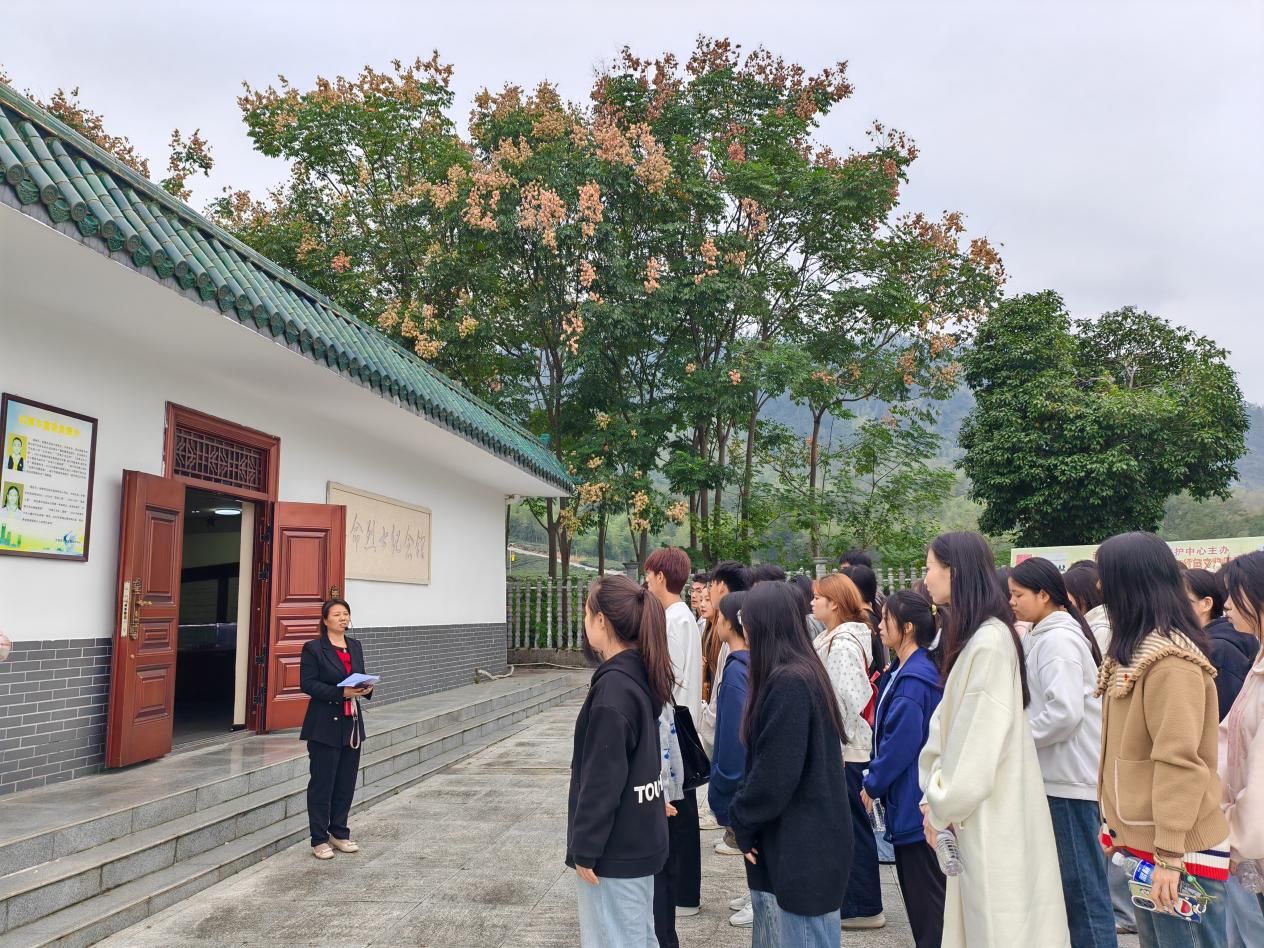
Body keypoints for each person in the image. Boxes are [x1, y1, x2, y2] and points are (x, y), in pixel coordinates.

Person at [919, 531, 1070, 947]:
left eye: (930, 567)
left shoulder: (988, 641)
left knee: (997, 924)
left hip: (988, 813)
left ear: (954, 571)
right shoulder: (984, 636)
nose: (926, 578)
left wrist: (940, 804)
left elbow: (976, 746)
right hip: (981, 809)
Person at [1096, 532, 1230, 948]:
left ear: (1129, 584)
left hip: (1179, 852)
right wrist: (1115, 828)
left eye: (1105, 578)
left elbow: (1180, 762)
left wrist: (1170, 855)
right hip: (1152, 847)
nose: (1100, 588)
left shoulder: (1170, 662)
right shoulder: (1138, 651)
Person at [729, 582, 852, 947]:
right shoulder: (795, 673)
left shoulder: (790, 682)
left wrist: (742, 819)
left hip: (805, 847)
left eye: (747, 618)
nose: (743, 626)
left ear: (764, 624)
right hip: (803, 839)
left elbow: (775, 774)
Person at [1008, 558, 1116, 948]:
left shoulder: (1058, 640)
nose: (1012, 602)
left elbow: (1064, 713)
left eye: (1018, 595)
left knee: (1083, 892)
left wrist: (1015, 739)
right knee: (1073, 890)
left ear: (1044, 594)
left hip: (1069, 781)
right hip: (1057, 776)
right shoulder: (1044, 633)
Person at [568, 574, 674, 948]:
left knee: (615, 937)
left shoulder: (614, 689)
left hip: (614, 849)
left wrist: (584, 848)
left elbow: (602, 780)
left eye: (586, 613)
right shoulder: (638, 673)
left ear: (601, 621)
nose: (585, 622)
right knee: (637, 935)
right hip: (638, 838)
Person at [862, 590, 945, 948]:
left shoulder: (914, 678)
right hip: (912, 798)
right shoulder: (904, 669)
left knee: (927, 905)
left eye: (886, 619)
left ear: (907, 627)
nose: (880, 626)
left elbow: (901, 742)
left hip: (914, 800)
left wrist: (873, 783)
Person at [1066, 562, 1139, 937]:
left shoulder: (1102, 629)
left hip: (1103, 754)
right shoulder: (1100, 627)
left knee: (1106, 847)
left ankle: (1122, 911)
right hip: (1103, 751)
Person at [811, 573, 884, 929]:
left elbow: (849, 699)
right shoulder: (834, 638)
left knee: (853, 828)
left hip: (847, 749)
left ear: (835, 604)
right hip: (844, 745)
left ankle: (864, 906)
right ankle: (855, 902)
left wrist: (833, 742)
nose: (812, 602)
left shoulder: (841, 645)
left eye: (818, 597)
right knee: (849, 826)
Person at [644, 546, 703, 921]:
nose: (646, 581)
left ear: (661, 577)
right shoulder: (679, 616)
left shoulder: (674, 620)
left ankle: (684, 895)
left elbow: (670, 680)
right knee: (680, 810)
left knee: (678, 812)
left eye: (649, 575)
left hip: (674, 728)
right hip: (678, 723)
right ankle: (683, 893)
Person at [300, 598, 374, 860]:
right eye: (337, 614)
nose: (343, 618)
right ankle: (319, 839)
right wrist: (340, 693)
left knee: (346, 782)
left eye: (346, 614)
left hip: (350, 724)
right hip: (324, 725)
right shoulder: (313, 648)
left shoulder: (355, 645)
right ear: (325, 620)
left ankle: (339, 832)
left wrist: (366, 688)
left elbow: (359, 676)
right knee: (323, 784)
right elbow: (308, 684)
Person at [1216, 553, 1264, 948]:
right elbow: (1227, 736)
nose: (1227, 605)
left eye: (1236, 594)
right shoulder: (1258, 660)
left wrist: (1235, 836)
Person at [707, 592, 754, 927]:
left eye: (720, 617)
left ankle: (759, 896)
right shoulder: (746, 663)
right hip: (744, 776)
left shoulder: (739, 670)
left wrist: (722, 780)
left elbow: (735, 737)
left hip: (739, 778)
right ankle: (754, 892)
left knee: (749, 839)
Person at [1185, 567, 1261, 721]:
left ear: (1206, 604)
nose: (1172, 608)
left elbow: (1224, 716)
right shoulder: (1234, 636)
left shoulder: (1215, 649)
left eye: (1181, 601)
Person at [1064, 564, 1112, 657]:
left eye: (1066, 593)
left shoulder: (1101, 630)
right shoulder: (1089, 625)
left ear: (1082, 597)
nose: (1062, 599)